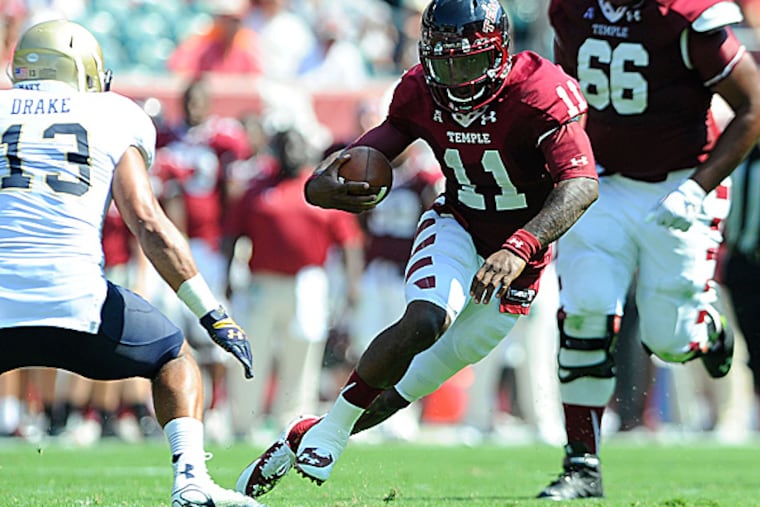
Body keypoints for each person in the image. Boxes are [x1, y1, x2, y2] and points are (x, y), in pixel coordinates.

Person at [236, 0, 599, 499]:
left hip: (520, 260)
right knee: (426, 319)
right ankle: (334, 434)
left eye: (467, 61)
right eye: (444, 61)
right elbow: (362, 156)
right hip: (458, 224)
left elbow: (580, 184)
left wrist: (521, 245)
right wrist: (323, 186)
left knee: (398, 394)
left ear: (499, 55)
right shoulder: (420, 91)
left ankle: (301, 437)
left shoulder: (538, 90)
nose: (454, 75)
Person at [0, 20, 260, 507]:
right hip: (77, 300)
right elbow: (148, 222)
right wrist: (213, 313)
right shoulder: (114, 113)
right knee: (174, 358)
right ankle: (190, 481)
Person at [539, 0, 760, 500]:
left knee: (669, 339)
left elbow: (754, 106)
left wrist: (698, 188)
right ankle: (582, 465)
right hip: (599, 184)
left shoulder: (685, 14)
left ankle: (706, 332)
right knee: (585, 312)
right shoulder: (570, 8)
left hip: (679, 182)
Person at [223, 128, 364, 441]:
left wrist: (353, 284)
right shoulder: (256, 189)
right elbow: (233, 234)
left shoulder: (320, 189)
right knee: (252, 350)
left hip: (308, 281)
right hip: (262, 280)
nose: (290, 152)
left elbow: (349, 240)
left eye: (295, 146)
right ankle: (243, 422)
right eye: (284, 146)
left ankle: (293, 422)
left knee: (302, 351)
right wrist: (227, 277)